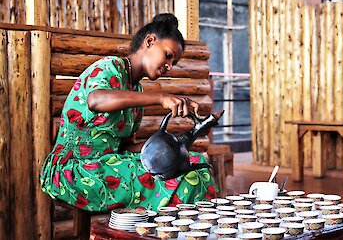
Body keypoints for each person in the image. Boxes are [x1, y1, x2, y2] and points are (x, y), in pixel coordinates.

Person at [40, 13, 218, 212]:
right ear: (149, 41)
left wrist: (172, 146)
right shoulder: (110, 67)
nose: (168, 66)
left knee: (196, 164)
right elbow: (96, 99)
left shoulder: (136, 91)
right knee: (183, 179)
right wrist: (160, 98)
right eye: (168, 55)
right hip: (74, 170)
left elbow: (127, 148)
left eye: (173, 63)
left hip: (110, 163)